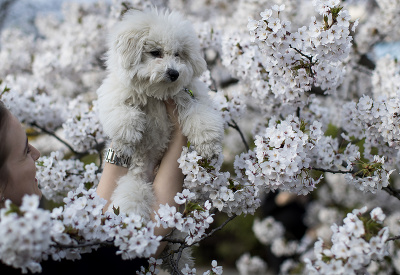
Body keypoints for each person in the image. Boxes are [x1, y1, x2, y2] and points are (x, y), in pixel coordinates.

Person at [0, 99, 186, 273]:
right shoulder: (30, 256)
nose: (37, 153)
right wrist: (179, 132)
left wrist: (124, 134)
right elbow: (142, 244)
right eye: (25, 150)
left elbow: (97, 220)